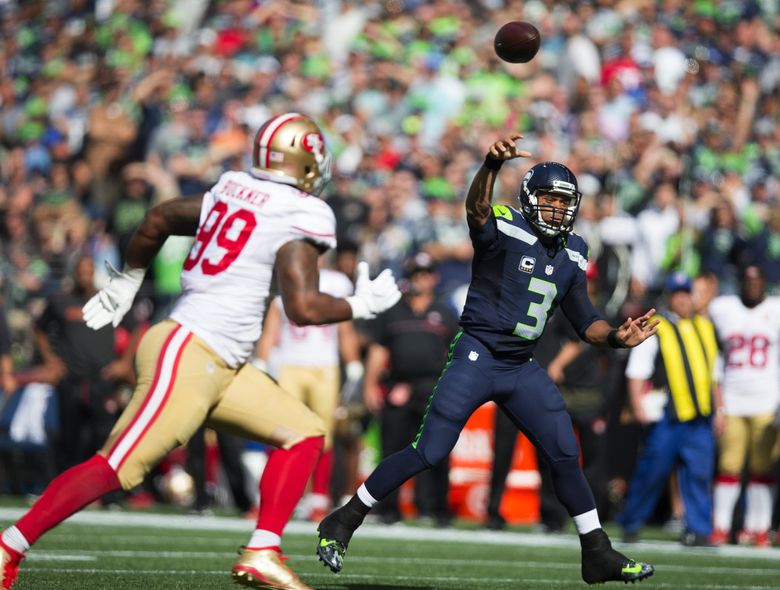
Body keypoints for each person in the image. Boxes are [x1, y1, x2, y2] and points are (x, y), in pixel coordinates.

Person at [0, 112, 401, 590]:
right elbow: (303, 308)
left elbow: (162, 216)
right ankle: (8, 547)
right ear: (302, 162)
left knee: (305, 433)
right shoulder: (303, 211)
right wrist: (359, 303)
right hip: (190, 349)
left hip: (221, 362)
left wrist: (128, 281)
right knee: (117, 467)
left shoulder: (234, 186)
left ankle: (263, 551)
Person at [317, 135, 657, 585]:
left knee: (564, 453)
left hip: (520, 365)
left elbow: (584, 319)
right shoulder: (506, 225)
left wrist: (614, 337)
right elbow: (476, 210)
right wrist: (490, 167)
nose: (557, 210)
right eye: (550, 201)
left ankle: (596, 551)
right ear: (529, 200)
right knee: (430, 450)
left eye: (564, 202)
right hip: (477, 353)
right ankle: (343, 520)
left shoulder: (574, 250)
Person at [616, 272, 722, 547]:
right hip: (668, 415)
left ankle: (699, 530)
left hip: (700, 415)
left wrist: (719, 410)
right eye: (677, 294)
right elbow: (638, 368)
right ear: (670, 298)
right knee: (652, 470)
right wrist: (637, 403)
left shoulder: (706, 326)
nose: (683, 299)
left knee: (699, 474)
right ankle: (631, 522)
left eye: (686, 293)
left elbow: (714, 374)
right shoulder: (657, 326)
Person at [254, 257, 363, 523]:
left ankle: (318, 499)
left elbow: (345, 327)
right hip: (289, 363)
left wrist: (352, 361)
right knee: (283, 432)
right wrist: (262, 360)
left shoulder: (336, 282)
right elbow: (273, 325)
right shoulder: (287, 276)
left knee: (323, 433)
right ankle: (277, 497)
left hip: (324, 365)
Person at [362, 252, 459, 526]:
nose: (421, 279)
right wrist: (370, 384)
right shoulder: (392, 310)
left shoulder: (445, 312)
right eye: (416, 274)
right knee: (392, 450)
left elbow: (455, 355)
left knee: (436, 450)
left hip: (433, 387)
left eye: (426, 274)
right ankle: (389, 509)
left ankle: (435, 508)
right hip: (398, 387)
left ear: (435, 277)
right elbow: (378, 350)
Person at [709, 265, 780, 546]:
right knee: (728, 466)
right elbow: (717, 359)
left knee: (762, 468)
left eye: (756, 280)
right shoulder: (725, 309)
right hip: (733, 401)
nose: (752, 285)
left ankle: (758, 527)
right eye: (747, 280)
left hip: (767, 401)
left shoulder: (775, 309)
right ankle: (722, 526)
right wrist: (719, 405)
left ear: (764, 283)